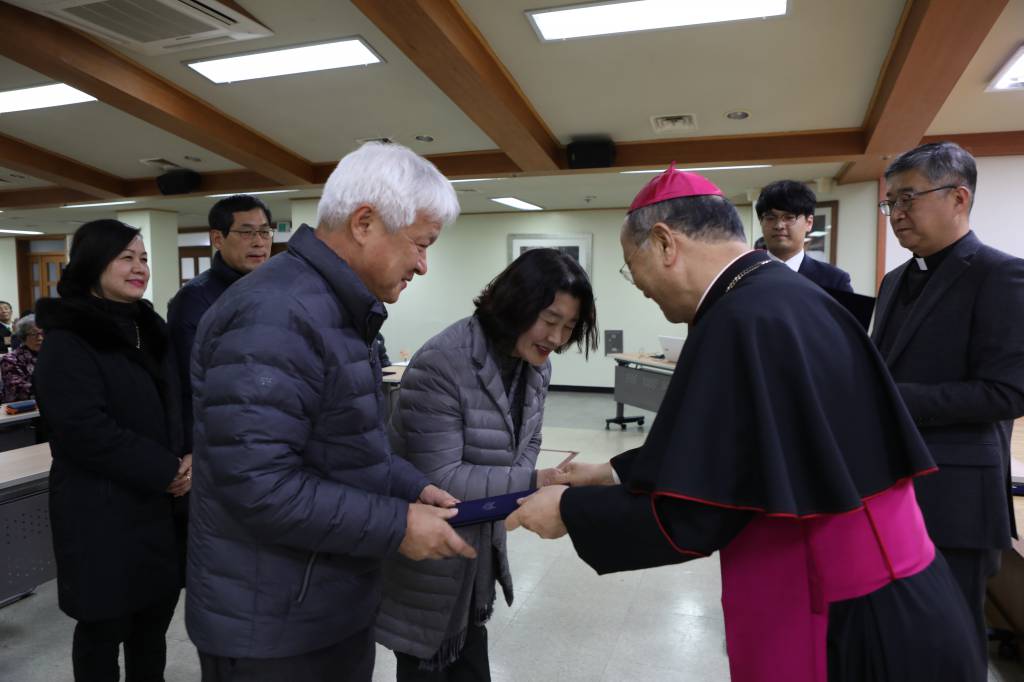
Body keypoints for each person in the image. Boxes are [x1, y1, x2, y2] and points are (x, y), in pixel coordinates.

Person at [506, 165, 983, 681]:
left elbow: (696, 516)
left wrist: (571, 512)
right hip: (895, 588)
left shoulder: (738, 318)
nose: (638, 285)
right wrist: (612, 473)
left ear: (665, 243)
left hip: (849, 611)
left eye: (631, 264)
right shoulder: (777, 297)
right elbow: (746, 447)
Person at [186, 142, 476, 682]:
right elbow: (260, 484)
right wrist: (396, 524)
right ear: (365, 222)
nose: (423, 264)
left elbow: (346, 446)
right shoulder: (274, 313)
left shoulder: (336, 307)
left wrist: (410, 487)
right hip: (272, 626)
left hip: (325, 600)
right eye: (419, 244)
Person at [376, 248, 599, 681]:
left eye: (569, 327)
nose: (556, 337)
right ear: (516, 303)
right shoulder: (443, 362)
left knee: (468, 653)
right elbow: (440, 478)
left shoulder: (535, 365)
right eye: (550, 320)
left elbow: (530, 438)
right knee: (425, 659)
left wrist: (517, 492)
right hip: (429, 555)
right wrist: (533, 483)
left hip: (478, 548)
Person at [872, 141, 1024, 668]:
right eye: (890, 201)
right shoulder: (894, 280)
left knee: (950, 649)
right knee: (896, 643)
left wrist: (887, 399)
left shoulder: (1002, 275)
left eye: (908, 197)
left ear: (959, 197)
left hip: (957, 495)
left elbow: (1008, 392)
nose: (897, 213)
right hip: (888, 487)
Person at [33, 219, 192, 682]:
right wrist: (165, 468)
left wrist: (187, 456)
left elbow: (176, 402)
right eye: (126, 257)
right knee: (104, 629)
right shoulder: (68, 338)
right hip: (99, 510)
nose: (139, 267)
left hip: (159, 507)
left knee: (152, 626)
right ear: (92, 264)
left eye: (143, 258)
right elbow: (82, 429)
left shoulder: (149, 328)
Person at [167, 193, 273, 453]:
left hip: (275, 431)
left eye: (264, 232)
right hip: (223, 441)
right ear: (217, 239)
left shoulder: (279, 290)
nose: (259, 242)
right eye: (247, 233)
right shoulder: (194, 300)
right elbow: (193, 383)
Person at [755, 180, 852, 292]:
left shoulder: (834, 280)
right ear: (761, 222)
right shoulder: (743, 276)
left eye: (789, 217)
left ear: (809, 222)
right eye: (770, 218)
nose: (779, 225)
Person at [1, 314, 42, 402]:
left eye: (43, 333)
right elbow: (17, 389)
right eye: (34, 334)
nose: (40, 338)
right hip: (23, 410)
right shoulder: (10, 359)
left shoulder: (52, 356)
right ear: (23, 337)